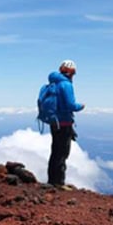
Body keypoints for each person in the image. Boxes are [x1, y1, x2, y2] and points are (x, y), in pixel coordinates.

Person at [46, 59, 85, 187]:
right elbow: (70, 105)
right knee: (62, 153)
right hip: (64, 123)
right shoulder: (66, 84)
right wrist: (81, 106)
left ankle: (52, 180)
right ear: (70, 71)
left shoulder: (53, 83)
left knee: (55, 151)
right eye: (73, 72)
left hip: (54, 122)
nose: (74, 75)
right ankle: (59, 183)